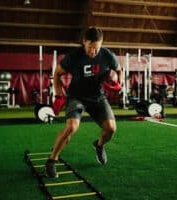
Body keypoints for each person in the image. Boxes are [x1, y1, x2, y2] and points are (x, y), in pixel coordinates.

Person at [45, 27, 122, 178]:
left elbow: (119, 69)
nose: (93, 52)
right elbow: (57, 73)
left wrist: (117, 82)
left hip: (97, 97)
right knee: (71, 127)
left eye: (96, 48)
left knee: (111, 128)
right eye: (90, 47)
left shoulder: (107, 55)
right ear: (84, 42)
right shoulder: (74, 57)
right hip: (77, 97)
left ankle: (99, 146)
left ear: (101, 44)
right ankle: (51, 160)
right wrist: (59, 94)